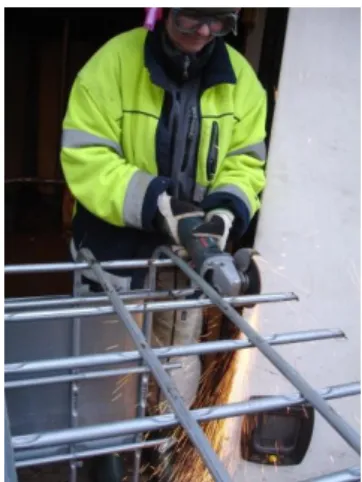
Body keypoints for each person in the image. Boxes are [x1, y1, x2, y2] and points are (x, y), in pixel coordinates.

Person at [60, 7, 267, 481]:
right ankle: (104, 465)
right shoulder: (111, 64)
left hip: (183, 267)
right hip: (113, 259)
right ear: (162, 11)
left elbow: (246, 164)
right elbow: (85, 157)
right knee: (105, 383)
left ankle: (165, 453)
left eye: (218, 22)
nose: (202, 33)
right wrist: (158, 203)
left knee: (174, 375)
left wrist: (222, 215)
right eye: (189, 19)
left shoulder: (243, 82)